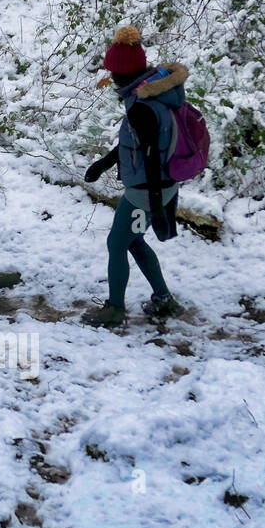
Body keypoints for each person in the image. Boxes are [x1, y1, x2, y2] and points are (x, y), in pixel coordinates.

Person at [82, 26, 187, 328]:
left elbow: (151, 156)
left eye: (113, 72)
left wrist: (154, 200)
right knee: (134, 240)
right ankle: (164, 300)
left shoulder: (142, 107)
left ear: (123, 74)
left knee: (117, 243)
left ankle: (115, 309)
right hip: (160, 185)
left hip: (146, 190)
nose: (111, 77)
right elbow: (140, 143)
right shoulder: (155, 94)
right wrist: (104, 162)